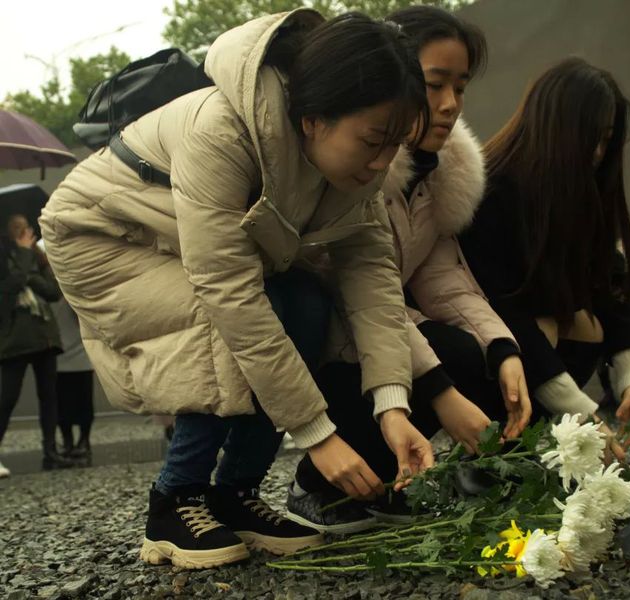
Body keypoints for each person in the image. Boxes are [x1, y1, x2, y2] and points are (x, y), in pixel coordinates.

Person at [40, 9, 433, 569]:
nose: (382, 163)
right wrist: (318, 435)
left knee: (305, 304)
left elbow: (373, 281)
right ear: (312, 120)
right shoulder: (221, 129)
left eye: (394, 144)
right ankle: (174, 501)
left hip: (177, 239)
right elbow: (228, 291)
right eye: (372, 140)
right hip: (103, 238)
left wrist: (392, 404)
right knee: (226, 318)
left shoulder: (355, 172)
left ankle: (236, 493)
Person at [284, 6, 532, 534]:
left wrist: (503, 348)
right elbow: (357, 296)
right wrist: (439, 389)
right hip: (333, 336)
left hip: (380, 336)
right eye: (433, 84)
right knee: (444, 355)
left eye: (460, 87)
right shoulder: (353, 168)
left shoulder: (440, 176)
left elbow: (444, 279)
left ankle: (383, 479)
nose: (448, 105)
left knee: (476, 351)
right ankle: (314, 482)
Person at [458, 58, 630, 457]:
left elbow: (613, 287)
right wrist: (581, 413)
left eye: (605, 140)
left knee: (588, 325)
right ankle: (498, 444)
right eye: (588, 139)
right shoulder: (492, 193)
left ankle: (535, 438)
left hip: (531, 349)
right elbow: (503, 309)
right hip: (482, 345)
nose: (597, 153)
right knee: (546, 325)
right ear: (552, 130)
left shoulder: (582, 192)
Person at [0, 215, 73, 476]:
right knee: (7, 397)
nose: (25, 233)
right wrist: (23, 259)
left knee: (49, 396)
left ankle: (51, 451)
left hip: (44, 336)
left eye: (26, 227)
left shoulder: (37, 257)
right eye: (17, 228)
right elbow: (9, 289)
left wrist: (30, 273)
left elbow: (53, 291)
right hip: (14, 339)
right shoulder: (5, 258)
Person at [52, 297, 94, 464]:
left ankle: (81, 440)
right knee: (64, 405)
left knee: (81, 403)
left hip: (78, 356)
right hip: (60, 357)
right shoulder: (47, 293)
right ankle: (71, 440)